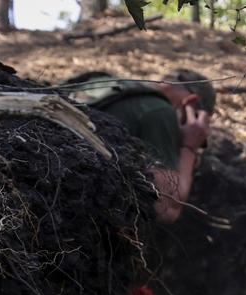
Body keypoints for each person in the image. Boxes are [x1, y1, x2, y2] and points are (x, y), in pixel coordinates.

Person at [62, 69, 214, 223]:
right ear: (191, 102)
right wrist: (189, 147)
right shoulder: (160, 111)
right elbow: (165, 209)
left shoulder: (106, 85)